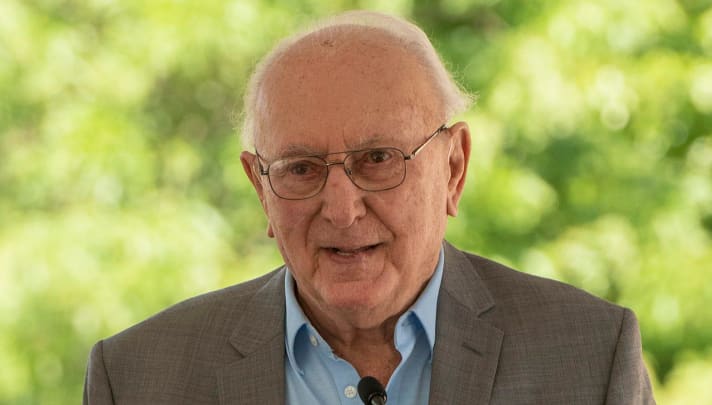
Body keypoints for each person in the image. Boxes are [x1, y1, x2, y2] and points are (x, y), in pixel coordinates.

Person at [83, 10, 655, 404]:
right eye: (300, 168)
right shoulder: (136, 378)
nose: (341, 208)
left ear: (453, 168)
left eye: (379, 159)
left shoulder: (590, 358)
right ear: (261, 187)